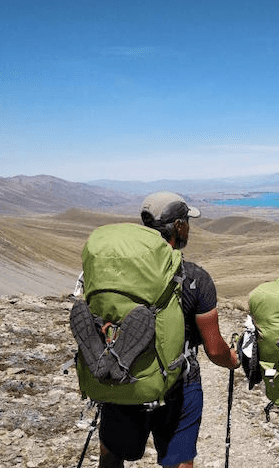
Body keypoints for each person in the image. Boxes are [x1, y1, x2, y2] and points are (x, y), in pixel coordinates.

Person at [97, 191, 239, 468]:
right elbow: (214, 349)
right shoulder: (196, 278)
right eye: (186, 220)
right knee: (178, 462)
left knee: (111, 456)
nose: (189, 226)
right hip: (179, 385)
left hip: (124, 376)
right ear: (178, 226)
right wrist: (232, 359)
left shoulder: (117, 275)